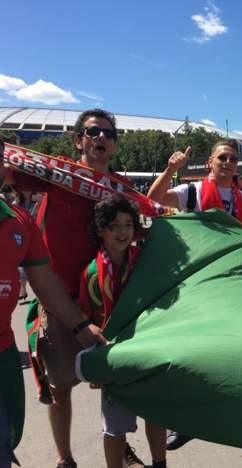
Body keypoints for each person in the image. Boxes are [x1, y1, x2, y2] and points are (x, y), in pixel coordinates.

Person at [6, 109, 138, 468]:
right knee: (60, 385)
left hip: (110, 301)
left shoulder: (120, 187)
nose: (101, 138)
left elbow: (145, 222)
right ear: (79, 138)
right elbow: (8, 169)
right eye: (93, 131)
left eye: (108, 133)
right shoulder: (58, 173)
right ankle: (65, 459)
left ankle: (120, 448)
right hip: (60, 300)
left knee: (114, 384)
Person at [0, 144, 106, 468]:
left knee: (5, 439)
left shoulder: (19, 222)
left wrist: (80, 325)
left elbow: (45, 282)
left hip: (2, 351)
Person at [78, 195, 167, 468]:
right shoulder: (92, 273)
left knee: (156, 414)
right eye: (114, 226)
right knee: (115, 426)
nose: (122, 232)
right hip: (113, 356)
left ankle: (159, 463)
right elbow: (87, 322)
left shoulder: (145, 262)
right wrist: (95, 364)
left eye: (128, 225)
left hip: (147, 349)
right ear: (100, 230)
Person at [147, 140, 242, 229]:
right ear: (210, 162)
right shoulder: (192, 191)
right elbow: (152, 202)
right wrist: (171, 169)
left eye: (233, 159)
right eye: (222, 157)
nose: (228, 162)